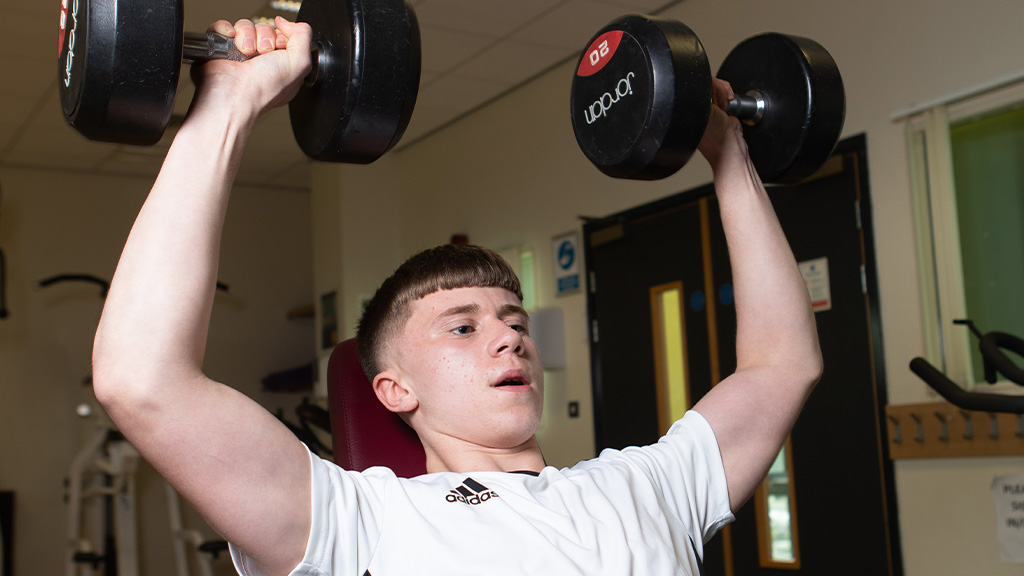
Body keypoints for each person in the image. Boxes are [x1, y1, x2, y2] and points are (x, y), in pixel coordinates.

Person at [91, 15, 822, 576]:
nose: (510, 337)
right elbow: (142, 379)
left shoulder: (646, 486)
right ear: (393, 389)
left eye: (512, 319)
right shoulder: (355, 522)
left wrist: (727, 152)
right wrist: (226, 106)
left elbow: (780, 366)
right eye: (462, 329)